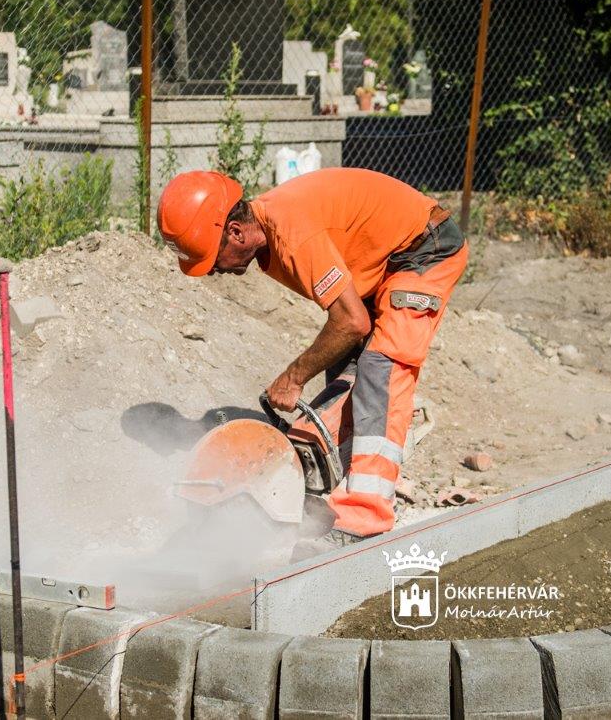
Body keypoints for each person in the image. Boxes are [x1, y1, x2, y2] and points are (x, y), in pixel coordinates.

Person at [158, 167, 467, 545]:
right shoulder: (269, 235)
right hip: (383, 262)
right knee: (344, 374)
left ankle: (364, 518)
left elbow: (352, 322)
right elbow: (351, 320)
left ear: (236, 232)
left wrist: (293, 377)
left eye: (213, 257)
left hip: (424, 250)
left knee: (380, 368)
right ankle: (332, 491)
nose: (216, 270)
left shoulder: (291, 233)